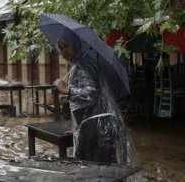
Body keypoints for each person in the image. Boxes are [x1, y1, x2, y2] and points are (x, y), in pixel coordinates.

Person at [53, 30, 137, 164]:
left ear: (75, 44)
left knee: (96, 171)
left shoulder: (84, 63)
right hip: (91, 127)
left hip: (97, 131)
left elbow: (91, 93)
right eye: (61, 48)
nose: (64, 51)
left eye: (67, 45)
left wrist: (66, 89)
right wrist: (78, 126)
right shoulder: (79, 63)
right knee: (99, 170)